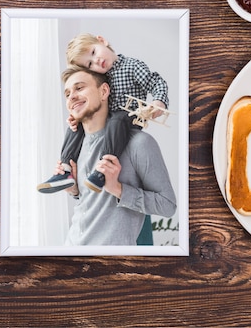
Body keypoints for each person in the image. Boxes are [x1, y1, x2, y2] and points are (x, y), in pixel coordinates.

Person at [54, 66, 177, 245]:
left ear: (104, 91)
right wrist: (74, 191)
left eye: (79, 88)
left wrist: (118, 189)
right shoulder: (76, 146)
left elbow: (168, 205)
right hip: (71, 250)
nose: (72, 96)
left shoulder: (139, 143)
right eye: (67, 93)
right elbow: (94, 203)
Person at [37, 33, 169, 193]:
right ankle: (65, 170)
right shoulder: (101, 76)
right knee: (76, 127)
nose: (97, 61)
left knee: (117, 119)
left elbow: (155, 82)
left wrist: (158, 101)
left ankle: (103, 169)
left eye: (93, 53)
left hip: (129, 116)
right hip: (108, 120)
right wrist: (76, 117)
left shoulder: (132, 66)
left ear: (102, 41)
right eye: (90, 64)